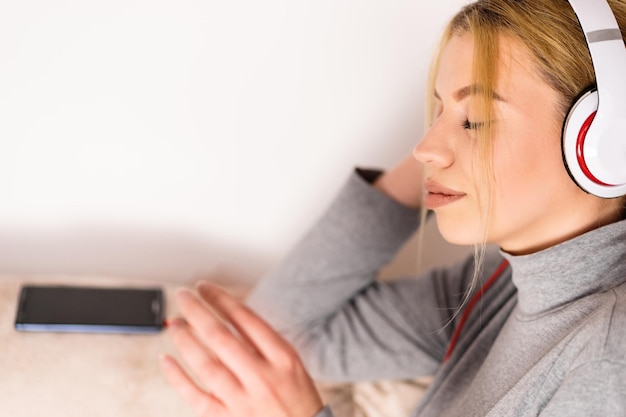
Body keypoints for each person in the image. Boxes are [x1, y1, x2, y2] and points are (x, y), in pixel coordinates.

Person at [159, 0, 626, 416]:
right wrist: (445, 157)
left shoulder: (609, 363)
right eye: (439, 110)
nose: (424, 148)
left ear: (607, 142)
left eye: (476, 119)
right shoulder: (497, 282)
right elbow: (289, 329)